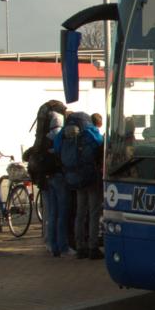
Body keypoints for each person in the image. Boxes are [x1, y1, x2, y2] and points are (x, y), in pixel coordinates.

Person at [55, 111, 105, 259]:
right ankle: (93, 247)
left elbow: (57, 147)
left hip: (74, 177)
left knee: (80, 212)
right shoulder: (90, 131)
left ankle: (80, 246)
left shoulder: (64, 133)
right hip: (90, 177)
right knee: (94, 212)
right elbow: (101, 143)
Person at [42, 105, 73, 257]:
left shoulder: (45, 138)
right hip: (60, 177)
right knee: (62, 213)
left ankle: (52, 245)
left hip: (47, 178)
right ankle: (63, 246)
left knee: (52, 214)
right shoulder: (61, 136)